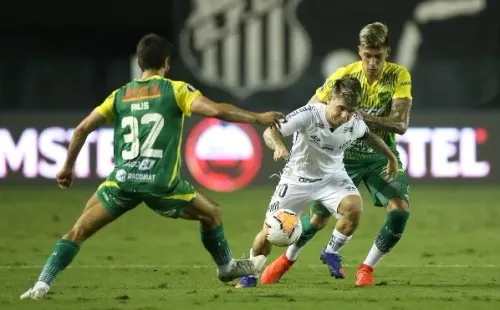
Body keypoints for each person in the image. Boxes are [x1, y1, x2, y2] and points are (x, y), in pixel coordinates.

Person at [20, 33, 285, 300]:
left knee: (78, 231)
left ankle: (40, 287)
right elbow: (216, 111)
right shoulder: (176, 90)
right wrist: (258, 117)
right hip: (160, 183)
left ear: (139, 62)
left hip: (122, 181)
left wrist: (67, 167)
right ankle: (227, 267)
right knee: (212, 213)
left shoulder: (119, 95)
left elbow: (81, 129)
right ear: (166, 63)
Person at [260, 22, 413, 287]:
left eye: (379, 56)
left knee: (399, 210)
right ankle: (287, 259)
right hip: (342, 157)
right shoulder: (343, 76)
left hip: (378, 155)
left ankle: (366, 268)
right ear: (360, 52)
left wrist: (357, 117)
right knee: (318, 219)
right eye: (367, 55)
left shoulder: (399, 76)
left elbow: (400, 124)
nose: (373, 62)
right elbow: (311, 111)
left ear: (387, 52)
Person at [236, 77, 398, 288]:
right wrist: (278, 145)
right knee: (269, 232)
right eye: (341, 108)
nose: (345, 115)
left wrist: (391, 158)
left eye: (350, 110)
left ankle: (330, 251)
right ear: (330, 99)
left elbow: (370, 136)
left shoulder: (353, 123)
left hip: (332, 178)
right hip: (296, 179)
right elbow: (271, 130)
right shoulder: (308, 114)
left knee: (354, 208)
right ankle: (250, 275)